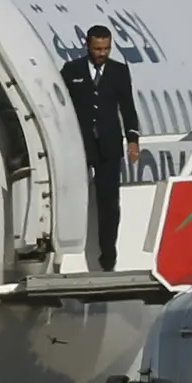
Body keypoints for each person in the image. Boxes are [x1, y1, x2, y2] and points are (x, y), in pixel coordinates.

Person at [60, 25, 140, 272]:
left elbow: (127, 106)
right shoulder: (71, 71)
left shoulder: (118, 71)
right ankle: (67, 251)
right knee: (73, 196)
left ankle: (108, 254)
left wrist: (132, 139)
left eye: (106, 49)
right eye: (97, 49)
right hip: (80, 144)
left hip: (108, 144)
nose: (102, 53)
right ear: (87, 46)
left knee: (108, 200)